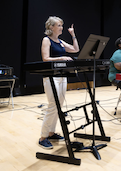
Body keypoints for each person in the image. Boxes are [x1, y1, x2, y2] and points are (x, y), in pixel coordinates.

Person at [34, 16, 77, 149]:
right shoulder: (46, 40)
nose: (61, 27)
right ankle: (43, 137)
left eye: (62, 25)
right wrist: (62, 57)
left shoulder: (60, 41)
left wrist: (73, 34)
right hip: (51, 77)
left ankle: (51, 133)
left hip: (62, 76)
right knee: (53, 105)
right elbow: (45, 58)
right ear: (51, 27)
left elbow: (75, 49)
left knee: (59, 106)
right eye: (59, 25)